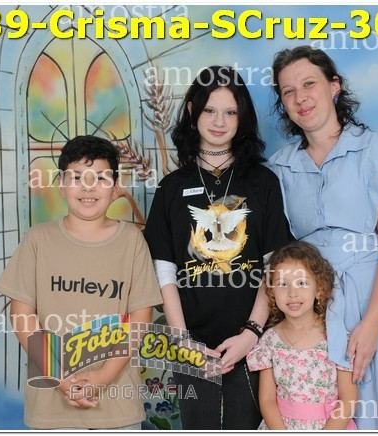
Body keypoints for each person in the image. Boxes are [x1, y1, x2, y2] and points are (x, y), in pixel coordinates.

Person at [267, 46, 378, 429]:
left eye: (309, 84)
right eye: (288, 91)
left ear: (334, 86)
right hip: (313, 308)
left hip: (375, 299)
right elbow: (278, 254)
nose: (300, 98)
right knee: (322, 414)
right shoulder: (279, 167)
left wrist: (371, 324)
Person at [143, 65, 293, 429]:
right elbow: (164, 271)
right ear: (192, 111)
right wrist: (182, 340)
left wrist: (251, 333)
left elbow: (275, 265)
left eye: (230, 112)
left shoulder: (263, 181)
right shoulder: (171, 188)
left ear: (243, 118)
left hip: (253, 340)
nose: (219, 121)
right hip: (191, 344)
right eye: (210, 110)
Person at [0, 135, 162, 429]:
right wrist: (60, 378)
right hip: (52, 408)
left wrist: (102, 378)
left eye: (100, 177)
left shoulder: (132, 241)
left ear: (115, 187)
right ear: (61, 185)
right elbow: (22, 316)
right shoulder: (38, 240)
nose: (88, 187)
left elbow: (140, 318)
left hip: (116, 406)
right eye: (76, 177)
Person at [247, 241, 357, 430]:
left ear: (319, 289)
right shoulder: (270, 341)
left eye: (302, 283)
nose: (292, 293)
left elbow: (348, 400)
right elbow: (267, 401)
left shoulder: (336, 338)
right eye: (282, 284)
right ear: (271, 292)